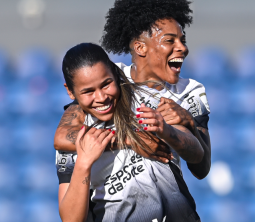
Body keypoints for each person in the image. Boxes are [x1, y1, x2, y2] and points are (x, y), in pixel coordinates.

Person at [58, 42, 203, 222]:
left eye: (106, 84)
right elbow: (71, 220)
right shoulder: (75, 137)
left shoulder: (149, 97)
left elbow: (197, 155)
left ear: (114, 72)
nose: (101, 98)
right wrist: (83, 164)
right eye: (88, 91)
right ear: (70, 92)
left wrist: (166, 130)